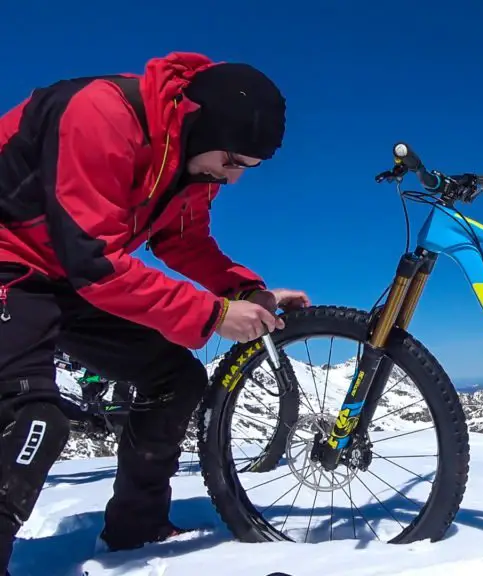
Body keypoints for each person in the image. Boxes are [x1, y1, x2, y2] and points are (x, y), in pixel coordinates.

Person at [0, 52, 310, 573]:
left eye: (245, 169)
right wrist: (213, 316)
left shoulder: (192, 158)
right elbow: (96, 264)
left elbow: (183, 241)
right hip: (12, 264)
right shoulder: (100, 115)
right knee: (32, 421)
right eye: (232, 162)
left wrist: (246, 290)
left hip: (65, 272)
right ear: (201, 122)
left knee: (174, 378)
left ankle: (138, 531)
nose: (232, 180)